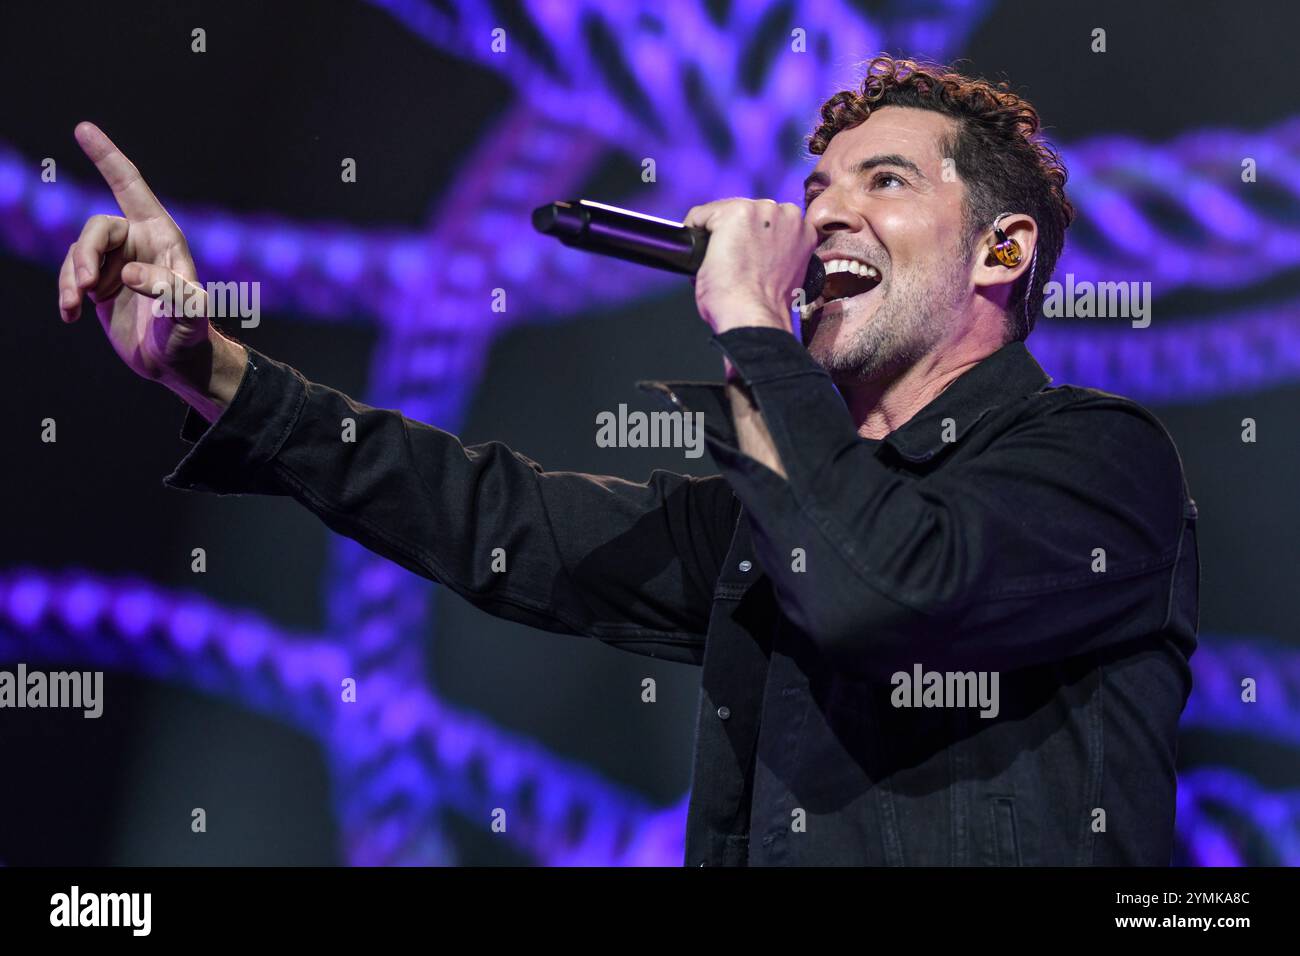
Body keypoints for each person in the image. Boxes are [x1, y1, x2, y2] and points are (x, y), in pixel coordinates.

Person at [56, 55, 1199, 866]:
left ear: (1004, 249)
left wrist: (754, 328)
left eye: (883, 182)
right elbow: (494, 516)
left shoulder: (1097, 463)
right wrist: (211, 372)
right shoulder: (777, 520)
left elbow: (886, 587)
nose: (819, 219)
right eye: (814, 190)